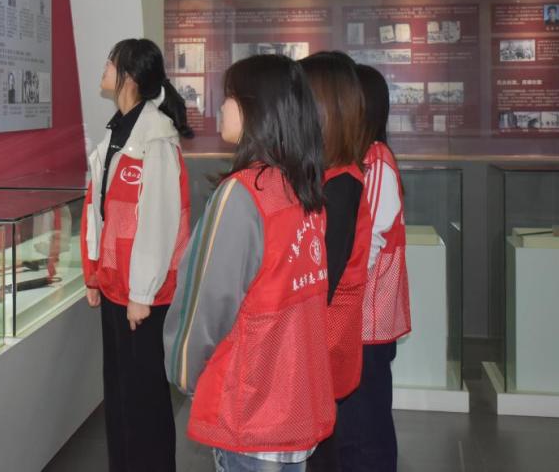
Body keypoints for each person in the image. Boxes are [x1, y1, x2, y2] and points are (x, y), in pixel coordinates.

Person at [164, 55, 334, 472]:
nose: (220, 108)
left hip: (249, 406)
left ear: (257, 109)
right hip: (294, 405)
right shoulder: (302, 188)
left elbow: (206, 303)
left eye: (229, 97)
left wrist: (184, 371)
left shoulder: (242, 194)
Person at [80, 38, 194, 472]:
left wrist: (142, 294)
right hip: (115, 286)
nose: (104, 69)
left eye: (110, 62)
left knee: (144, 399)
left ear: (128, 75)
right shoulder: (116, 131)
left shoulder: (157, 137)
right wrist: (94, 274)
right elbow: (100, 211)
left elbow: (159, 222)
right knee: (120, 395)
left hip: (142, 295)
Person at [331, 64, 412, 472]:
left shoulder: (376, 162)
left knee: (366, 430)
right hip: (352, 321)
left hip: (366, 324)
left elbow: (368, 247)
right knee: (351, 428)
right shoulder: (357, 159)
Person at [300, 51, 372, 472]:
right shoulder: (329, 175)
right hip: (316, 346)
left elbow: (319, 282)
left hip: (320, 347)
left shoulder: (341, 185)